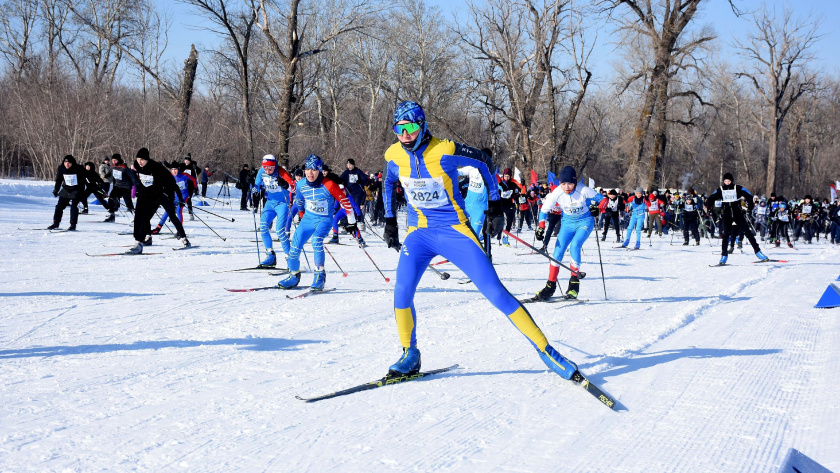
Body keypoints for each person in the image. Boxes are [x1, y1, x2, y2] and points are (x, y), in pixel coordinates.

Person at [380, 101, 578, 381]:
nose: (404, 134)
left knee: (495, 293)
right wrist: (390, 220)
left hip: (454, 231)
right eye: (398, 128)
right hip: (419, 234)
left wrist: (495, 205)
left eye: (410, 127)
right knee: (402, 293)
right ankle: (409, 354)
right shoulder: (393, 154)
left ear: (422, 126)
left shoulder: (445, 149)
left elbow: (485, 163)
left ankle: (547, 352)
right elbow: (388, 182)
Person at [276, 155, 357, 291]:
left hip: (324, 220)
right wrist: (286, 186)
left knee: (316, 241)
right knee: (294, 246)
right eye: (308, 169)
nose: (310, 173)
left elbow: (345, 202)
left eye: (314, 169)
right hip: (308, 219)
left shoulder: (329, 185)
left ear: (319, 170)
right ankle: (293, 275)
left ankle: (319, 275)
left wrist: (351, 222)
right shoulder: (302, 183)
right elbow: (298, 196)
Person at [532, 166, 603, 301]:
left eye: (570, 183)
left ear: (575, 182)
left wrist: (597, 208)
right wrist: (541, 226)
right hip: (567, 223)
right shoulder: (557, 192)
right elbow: (543, 210)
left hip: (585, 221)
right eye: (563, 183)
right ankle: (550, 286)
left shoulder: (583, 190)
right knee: (557, 252)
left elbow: (604, 200)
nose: (567, 187)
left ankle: (574, 284)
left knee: (575, 245)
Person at [127, 148, 190, 254]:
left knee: (172, 216)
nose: (139, 162)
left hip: (161, 195)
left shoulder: (156, 167)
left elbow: (172, 183)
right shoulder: (137, 166)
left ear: (147, 159)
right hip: (147, 195)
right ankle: (144, 239)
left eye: (142, 159)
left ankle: (184, 239)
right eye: (138, 159)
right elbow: (136, 178)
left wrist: (177, 198)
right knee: (141, 217)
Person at [705, 172, 768, 264]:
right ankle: (724, 256)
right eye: (725, 181)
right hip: (726, 215)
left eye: (729, 181)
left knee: (748, 233)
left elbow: (749, 195)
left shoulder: (737, 188)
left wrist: (749, 208)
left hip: (738, 214)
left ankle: (758, 252)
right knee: (725, 236)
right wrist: (709, 208)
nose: (727, 182)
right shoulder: (721, 189)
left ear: (732, 181)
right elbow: (711, 198)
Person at [252, 154, 296, 267]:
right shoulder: (261, 171)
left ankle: (290, 258)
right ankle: (270, 255)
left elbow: (294, 188)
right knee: (263, 226)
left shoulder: (281, 172)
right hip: (270, 203)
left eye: (270, 168)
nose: (267, 170)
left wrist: (286, 185)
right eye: (265, 168)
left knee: (280, 231)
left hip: (282, 203)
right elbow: (257, 184)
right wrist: (255, 189)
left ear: (275, 166)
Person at [151, 162, 195, 235]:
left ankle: (180, 230)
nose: (174, 171)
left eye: (175, 169)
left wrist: (194, 189)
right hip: (175, 196)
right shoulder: (170, 176)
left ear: (178, 169)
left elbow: (193, 180)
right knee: (168, 210)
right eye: (172, 169)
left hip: (184, 196)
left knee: (178, 210)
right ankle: (158, 228)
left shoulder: (184, 175)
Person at [47, 155, 90, 230]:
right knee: (59, 206)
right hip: (66, 189)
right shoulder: (61, 168)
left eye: (69, 163)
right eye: (65, 162)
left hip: (77, 189)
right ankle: (56, 223)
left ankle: (73, 225)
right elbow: (59, 180)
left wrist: (82, 192)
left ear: (72, 163)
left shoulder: (79, 168)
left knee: (73, 206)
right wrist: (56, 190)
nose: (67, 164)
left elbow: (84, 180)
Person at [105, 154, 137, 222]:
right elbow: (110, 172)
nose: (113, 162)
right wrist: (107, 175)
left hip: (126, 187)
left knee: (128, 202)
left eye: (115, 160)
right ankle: (112, 215)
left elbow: (132, 177)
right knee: (111, 198)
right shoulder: (112, 167)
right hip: (117, 186)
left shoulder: (124, 167)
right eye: (112, 160)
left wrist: (137, 186)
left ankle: (136, 217)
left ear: (118, 160)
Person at [339, 158, 369, 227]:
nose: (349, 166)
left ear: (353, 165)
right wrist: (343, 182)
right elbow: (340, 179)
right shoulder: (346, 172)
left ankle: (361, 222)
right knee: (348, 208)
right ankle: (347, 223)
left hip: (357, 193)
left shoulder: (358, 171)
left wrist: (360, 181)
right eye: (348, 165)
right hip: (349, 193)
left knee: (356, 207)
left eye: (350, 165)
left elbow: (366, 180)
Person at [495, 168, 519, 246]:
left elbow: (517, 193)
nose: (507, 178)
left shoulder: (513, 183)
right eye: (505, 176)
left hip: (509, 205)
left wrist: (517, 197)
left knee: (509, 221)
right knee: (499, 220)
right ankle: (497, 235)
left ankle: (506, 237)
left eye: (508, 176)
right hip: (501, 204)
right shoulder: (500, 183)